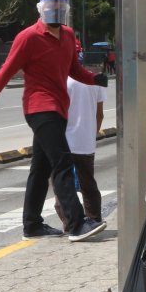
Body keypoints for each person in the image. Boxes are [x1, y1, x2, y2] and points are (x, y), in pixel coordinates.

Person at [0, 0, 110, 242]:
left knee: (40, 167)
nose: (55, 12)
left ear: (65, 12)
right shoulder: (28, 37)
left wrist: (94, 78)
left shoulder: (68, 36)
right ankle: (77, 223)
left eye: (60, 8)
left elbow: (73, 70)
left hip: (59, 107)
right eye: (51, 8)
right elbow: (5, 70)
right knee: (62, 161)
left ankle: (32, 224)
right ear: (41, 10)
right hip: (39, 108)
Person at [52, 54, 108, 241]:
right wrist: (92, 134)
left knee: (62, 184)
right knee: (88, 184)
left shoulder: (62, 80)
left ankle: (69, 223)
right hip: (86, 141)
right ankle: (94, 220)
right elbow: (100, 114)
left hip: (64, 140)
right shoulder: (95, 80)